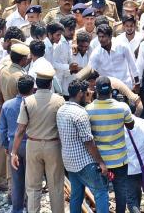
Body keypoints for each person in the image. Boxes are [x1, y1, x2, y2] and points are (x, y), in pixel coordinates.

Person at [10, 64, 66, 212]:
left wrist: (14, 152)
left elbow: (20, 129)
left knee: (33, 187)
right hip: (53, 145)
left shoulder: (27, 101)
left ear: (37, 83)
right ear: (50, 83)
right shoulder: (59, 101)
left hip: (32, 145)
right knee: (56, 186)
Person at [56, 79, 111, 213]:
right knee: (101, 192)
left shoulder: (61, 110)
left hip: (69, 162)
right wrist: (101, 163)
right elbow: (88, 141)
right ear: (81, 93)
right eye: (87, 93)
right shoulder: (81, 114)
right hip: (84, 163)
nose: (89, 94)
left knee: (76, 195)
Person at [86, 76, 135, 213]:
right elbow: (131, 125)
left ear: (96, 90)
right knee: (121, 191)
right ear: (112, 90)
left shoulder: (88, 110)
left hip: (99, 160)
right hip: (120, 159)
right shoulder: (122, 107)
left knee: (101, 192)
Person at [0, 75, 33, 213]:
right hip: (31, 144)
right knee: (32, 180)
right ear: (32, 89)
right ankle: (31, 208)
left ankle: (17, 209)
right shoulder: (33, 104)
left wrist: (7, 146)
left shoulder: (7, 105)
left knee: (17, 180)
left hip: (14, 145)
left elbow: (2, 128)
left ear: (17, 88)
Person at [89, 23, 140, 90]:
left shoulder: (122, 46)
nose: (101, 39)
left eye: (103, 36)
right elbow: (90, 71)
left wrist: (137, 83)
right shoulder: (96, 53)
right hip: (108, 89)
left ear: (110, 37)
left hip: (125, 85)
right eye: (99, 37)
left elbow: (133, 66)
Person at [124, 103, 144, 213]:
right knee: (137, 193)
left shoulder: (119, 126)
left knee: (131, 199)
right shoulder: (143, 123)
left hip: (128, 167)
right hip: (142, 165)